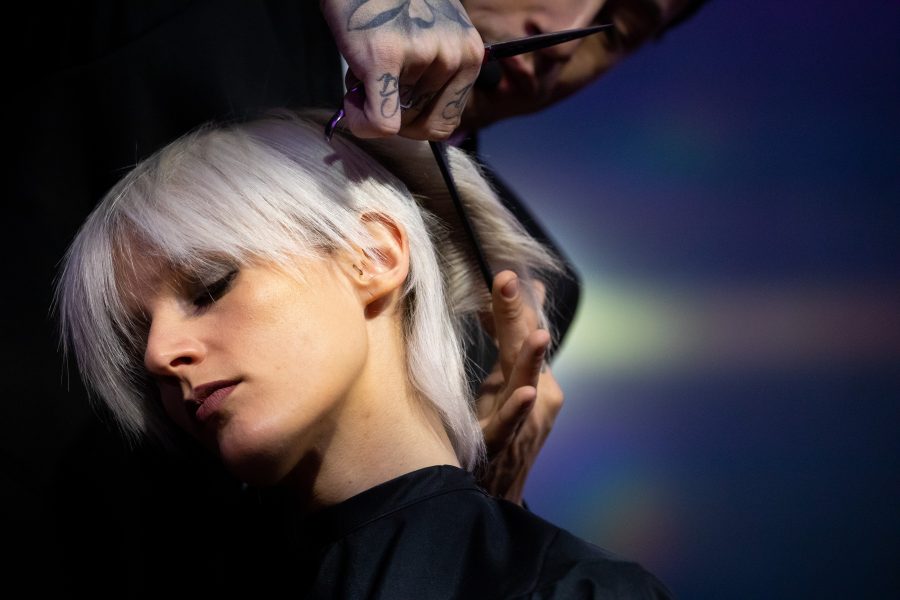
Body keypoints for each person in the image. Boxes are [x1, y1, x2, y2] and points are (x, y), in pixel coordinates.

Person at [55, 109, 673, 598]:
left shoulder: (576, 589)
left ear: (373, 255)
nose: (158, 355)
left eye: (209, 287)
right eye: (136, 339)